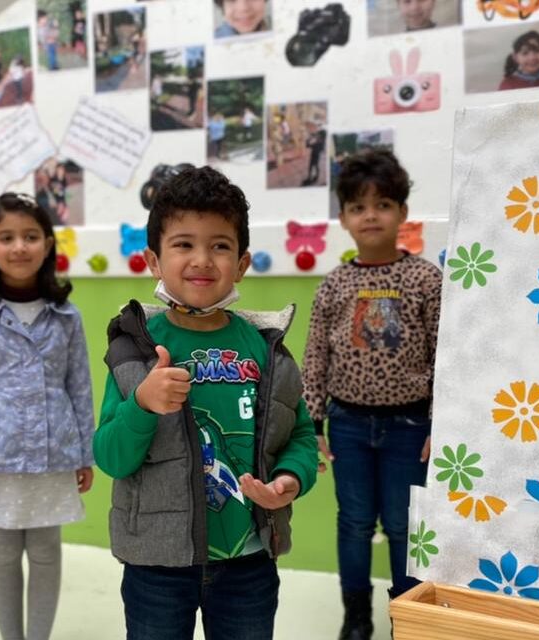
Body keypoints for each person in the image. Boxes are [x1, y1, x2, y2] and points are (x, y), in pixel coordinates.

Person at [94, 166, 319, 640]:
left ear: (241, 264)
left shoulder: (266, 348)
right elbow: (111, 456)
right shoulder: (134, 347)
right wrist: (142, 404)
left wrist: (289, 480)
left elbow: (299, 434)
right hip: (157, 562)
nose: (202, 259)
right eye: (184, 244)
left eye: (220, 245)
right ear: (154, 260)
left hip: (250, 561)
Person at [0, 193, 95, 640]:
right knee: (4, 551)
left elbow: (80, 388)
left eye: (30, 236)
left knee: (47, 550)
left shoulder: (67, 317)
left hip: (53, 453)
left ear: (48, 244)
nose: (19, 247)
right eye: (7, 237)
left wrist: (84, 452)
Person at [303, 149, 440, 640]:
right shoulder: (334, 285)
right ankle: (356, 617)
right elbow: (316, 359)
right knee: (355, 522)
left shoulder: (426, 279)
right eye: (358, 207)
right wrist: (311, 425)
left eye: (383, 204)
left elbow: (446, 357)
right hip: (348, 426)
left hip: (411, 428)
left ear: (402, 213)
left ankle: (408, 617)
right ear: (343, 219)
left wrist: (442, 425)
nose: (371, 215)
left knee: (405, 528)